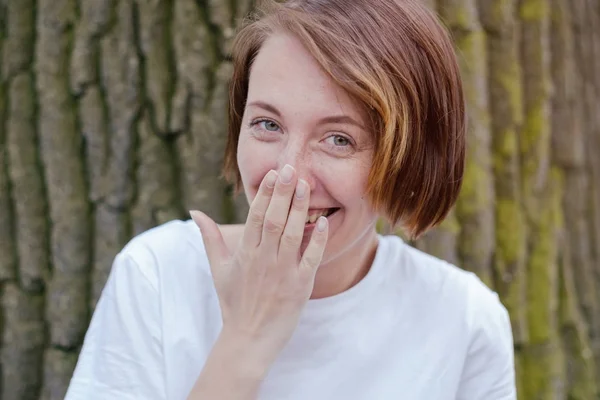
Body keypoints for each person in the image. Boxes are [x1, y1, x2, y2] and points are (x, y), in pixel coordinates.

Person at [65, 0, 516, 399]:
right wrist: (247, 339)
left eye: (339, 139)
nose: (288, 174)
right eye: (268, 125)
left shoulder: (465, 322)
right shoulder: (157, 276)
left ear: (411, 157)